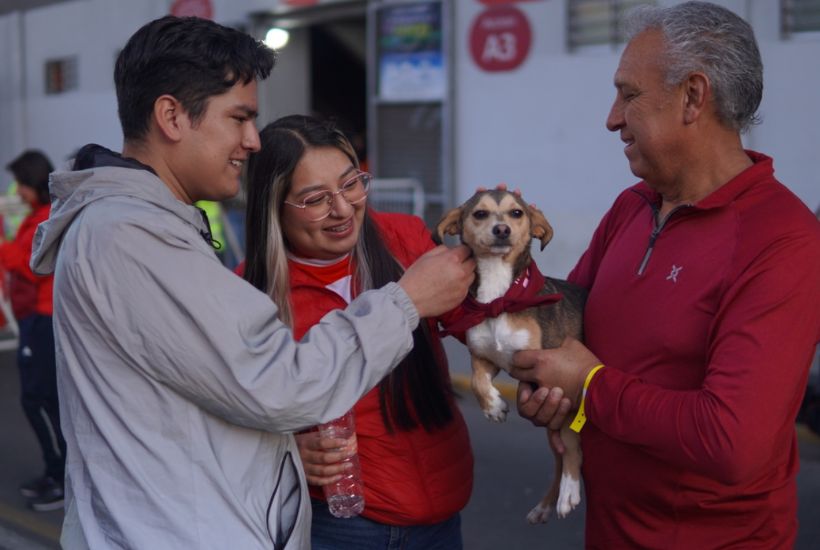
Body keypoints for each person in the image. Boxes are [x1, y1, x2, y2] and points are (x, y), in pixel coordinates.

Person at [29, 16, 474, 550]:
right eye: (239, 117)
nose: (251, 141)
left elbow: (221, 396)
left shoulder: (142, 229)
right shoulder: (132, 238)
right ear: (171, 115)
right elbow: (280, 385)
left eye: (351, 184)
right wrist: (405, 304)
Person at [509, 2, 820, 549]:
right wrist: (558, 399)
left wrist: (588, 385)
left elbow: (732, 442)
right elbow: (565, 336)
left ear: (693, 97)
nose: (611, 118)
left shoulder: (782, 240)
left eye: (629, 95)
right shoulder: (632, 206)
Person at [242, 114, 473, 549]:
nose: (344, 208)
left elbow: (480, 320)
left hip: (443, 511)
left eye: (351, 184)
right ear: (273, 205)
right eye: (315, 199)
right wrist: (284, 449)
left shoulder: (404, 240)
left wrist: (504, 244)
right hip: (341, 523)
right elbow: (229, 411)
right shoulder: (251, 293)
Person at [2, 150, 66, 512]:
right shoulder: (35, 217)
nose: (18, 193)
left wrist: (4, 250)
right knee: (39, 399)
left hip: (43, 318)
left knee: (41, 399)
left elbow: (32, 266)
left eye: (22, 185)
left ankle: (61, 475)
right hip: (32, 318)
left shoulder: (46, 218)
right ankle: (55, 471)